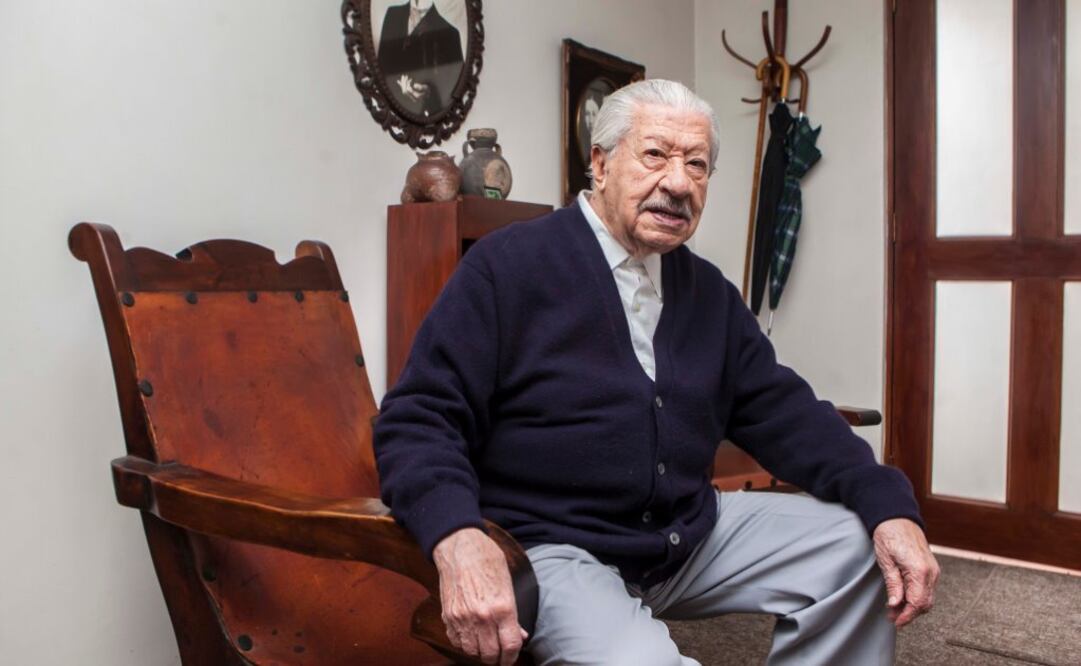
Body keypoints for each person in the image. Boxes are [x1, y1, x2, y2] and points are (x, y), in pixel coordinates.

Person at [374, 79, 940, 666]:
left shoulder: (708, 293)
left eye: (696, 165)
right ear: (600, 162)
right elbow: (418, 420)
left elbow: (788, 414)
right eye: (655, 155)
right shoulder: (508, 267)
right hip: (554, 546)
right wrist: (458, 535)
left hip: (685, 534)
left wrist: (888, 503)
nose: (678, 183)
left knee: (858, 547)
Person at [376, 0, 464, 119]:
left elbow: (454, 97)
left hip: (425, 126)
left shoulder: (451, 35)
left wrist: (428, 93)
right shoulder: (392, 15)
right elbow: (380, 70)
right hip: (385, 117)